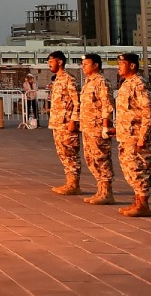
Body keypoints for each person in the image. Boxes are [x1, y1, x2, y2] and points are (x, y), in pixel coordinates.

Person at [115, 53, 151, 217]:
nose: (119, 67)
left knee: (139, 169)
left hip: (137, 135)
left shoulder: (139, 84)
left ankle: (143, 204)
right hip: (126, 135)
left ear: (132, 65)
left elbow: (148, 113)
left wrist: (142, 137)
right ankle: (137, 201)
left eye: (122, 63)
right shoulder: (126, 84)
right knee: (130, 170)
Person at [79, 53, 114, 205]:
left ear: (96, 66)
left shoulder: (101, 82)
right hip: (87, 126)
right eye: (83, 64)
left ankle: (107, 192)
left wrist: (106, 126)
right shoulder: (88, 82)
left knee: (101, 158)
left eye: (86, 64)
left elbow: (107, 105)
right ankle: (100, 190)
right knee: (90, 159)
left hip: (98, 127)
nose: (83, 67)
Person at [47, 50, 81, 195]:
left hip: (67, 123)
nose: (49, 65)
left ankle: (74, 184)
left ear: (59, 62)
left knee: (70, 152)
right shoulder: (57, 80)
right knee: (63, 153)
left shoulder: (69, 79)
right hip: (57, 123)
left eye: (51, 62)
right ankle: (69, 181)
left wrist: (74, 120)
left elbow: (77, 102)